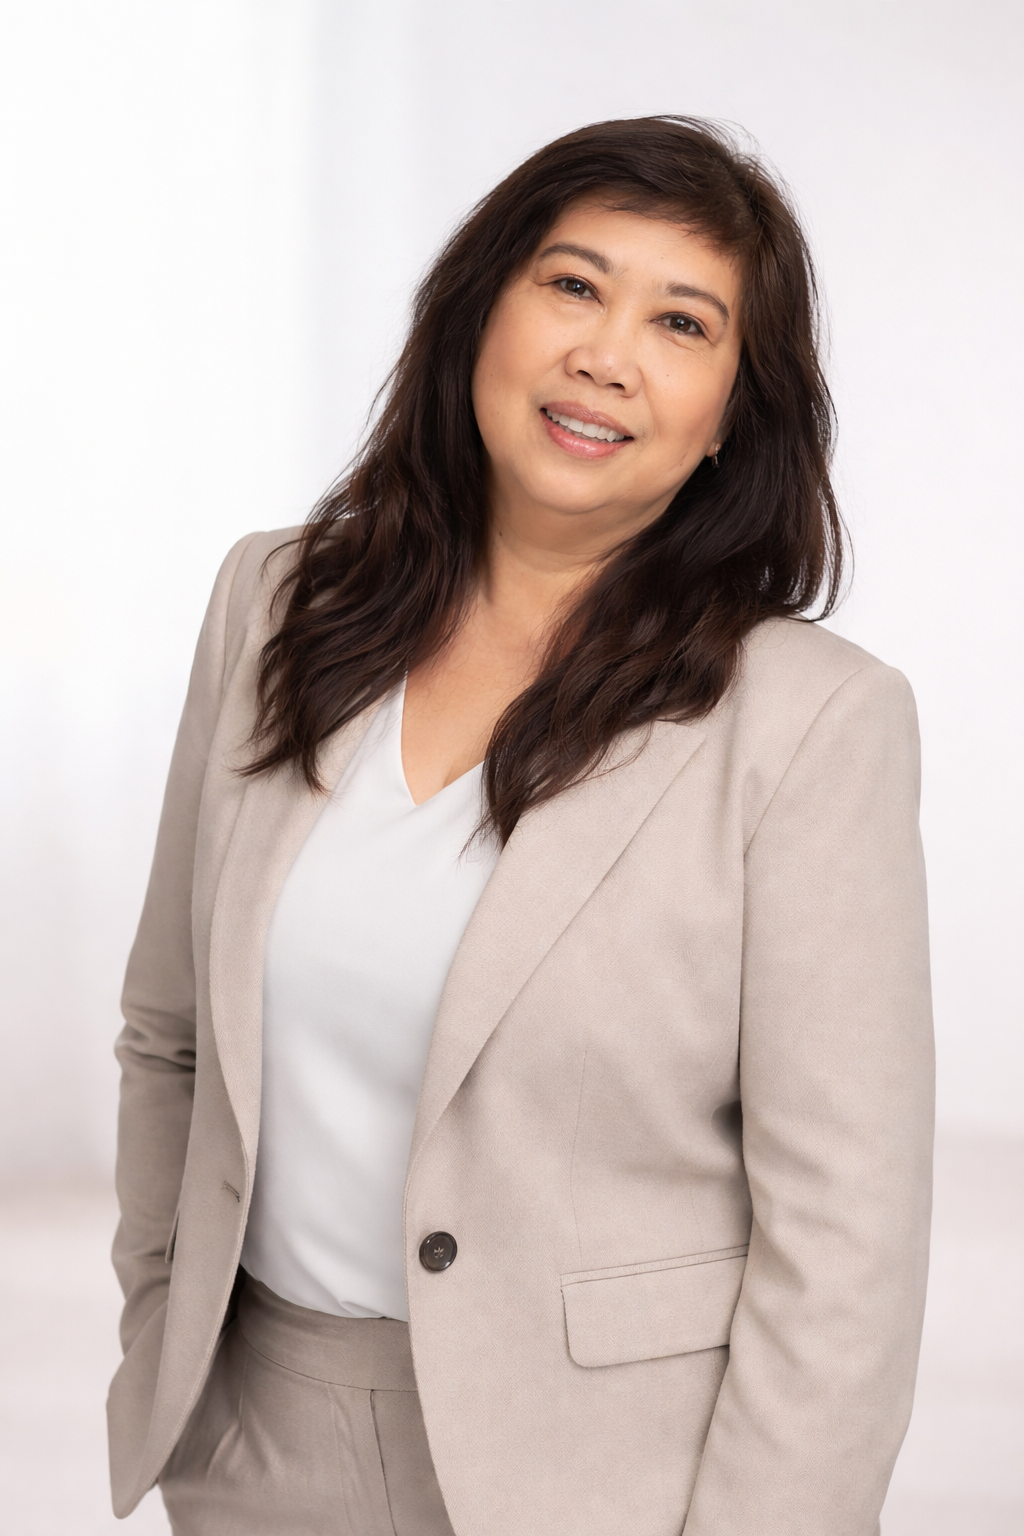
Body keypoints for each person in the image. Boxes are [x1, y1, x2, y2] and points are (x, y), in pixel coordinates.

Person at [108, 116, 933, 1536]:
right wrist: (161, 1319)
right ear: (479, 309)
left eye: (681, 322)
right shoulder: (275, 603)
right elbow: (169, 1035)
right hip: (252, 1445)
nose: (606, 354)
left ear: (732, 413)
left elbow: (846, 1230)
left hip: (607, 1477)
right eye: (572, 285)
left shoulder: (811, 722)